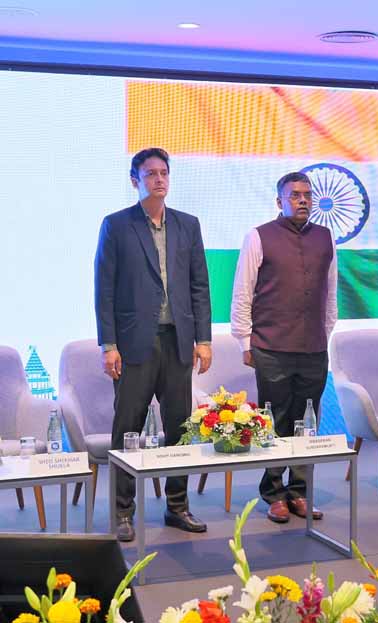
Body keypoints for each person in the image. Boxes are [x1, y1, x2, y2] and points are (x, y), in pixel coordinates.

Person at [95, 147, 213, 542]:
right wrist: (108, 344)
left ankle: (177, 506)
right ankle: (122, 512)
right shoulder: (117, 225)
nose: (159, 179)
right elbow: (104, 289)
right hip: (133, 344)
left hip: (178, 341)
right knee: (127, 428)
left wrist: (204, 339)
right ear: (135, 180)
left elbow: (199, 285)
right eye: (150, 173)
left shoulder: (188, 225)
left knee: (180, 427)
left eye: (164, 172)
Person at [231, 171, 337, 523]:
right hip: (271, 345)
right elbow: (243, 291)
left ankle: (300, 491)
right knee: (275, 420)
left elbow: (330, 292)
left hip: (314, 346)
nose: (302, 200)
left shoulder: (325, 237)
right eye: (294, 195)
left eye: (307, 194)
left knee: (307, 420)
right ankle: (274, 494)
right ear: (280, 201)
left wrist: (324, 333)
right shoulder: (258, 236)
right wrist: (244, 339)